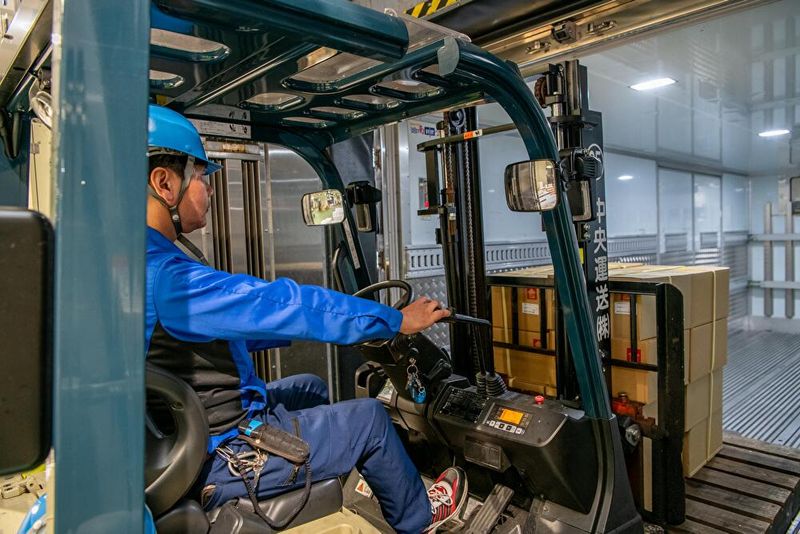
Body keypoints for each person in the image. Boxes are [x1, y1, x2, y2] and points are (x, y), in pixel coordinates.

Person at [144, 104, 467, 533]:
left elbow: (203, 342)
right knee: (370, 420)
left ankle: (353, 473)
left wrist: (299, 329)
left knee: (311, 387)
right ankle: (420, 519)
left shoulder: (139, 263)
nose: (210, 189)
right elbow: (284, 303)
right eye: (203, 176)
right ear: (165, 183)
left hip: (191, 432)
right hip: (225, 452)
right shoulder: (170, 278)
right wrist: (393, 320)